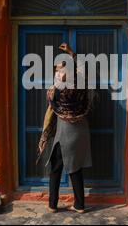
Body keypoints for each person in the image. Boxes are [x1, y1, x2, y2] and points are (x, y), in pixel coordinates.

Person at [37, 43, 93, 213]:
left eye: (60, 70)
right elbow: (82, 68)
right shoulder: (81, 84)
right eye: (56, 70)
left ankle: (53, 204)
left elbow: (52, 110)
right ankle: (79, 204)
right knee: (75, 167)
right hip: (81, 130)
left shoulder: (55, 91)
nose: (57, 73)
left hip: (65, 132)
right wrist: (72, 53)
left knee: (56, 168)